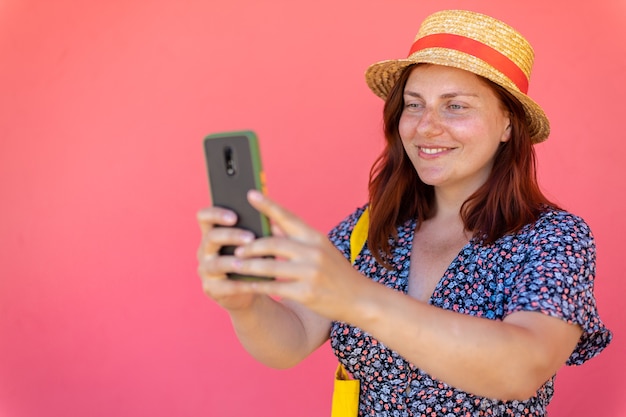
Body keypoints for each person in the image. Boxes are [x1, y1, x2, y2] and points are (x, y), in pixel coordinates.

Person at [197, 9, 612, 416]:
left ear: (507, 123)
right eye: (414, 105)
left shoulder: (555, 238)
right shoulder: (371, 226)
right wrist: (245, 302)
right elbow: (294, 337)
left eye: (455, 106)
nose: (426, 126)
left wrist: (357, 297)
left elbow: (524, 367)